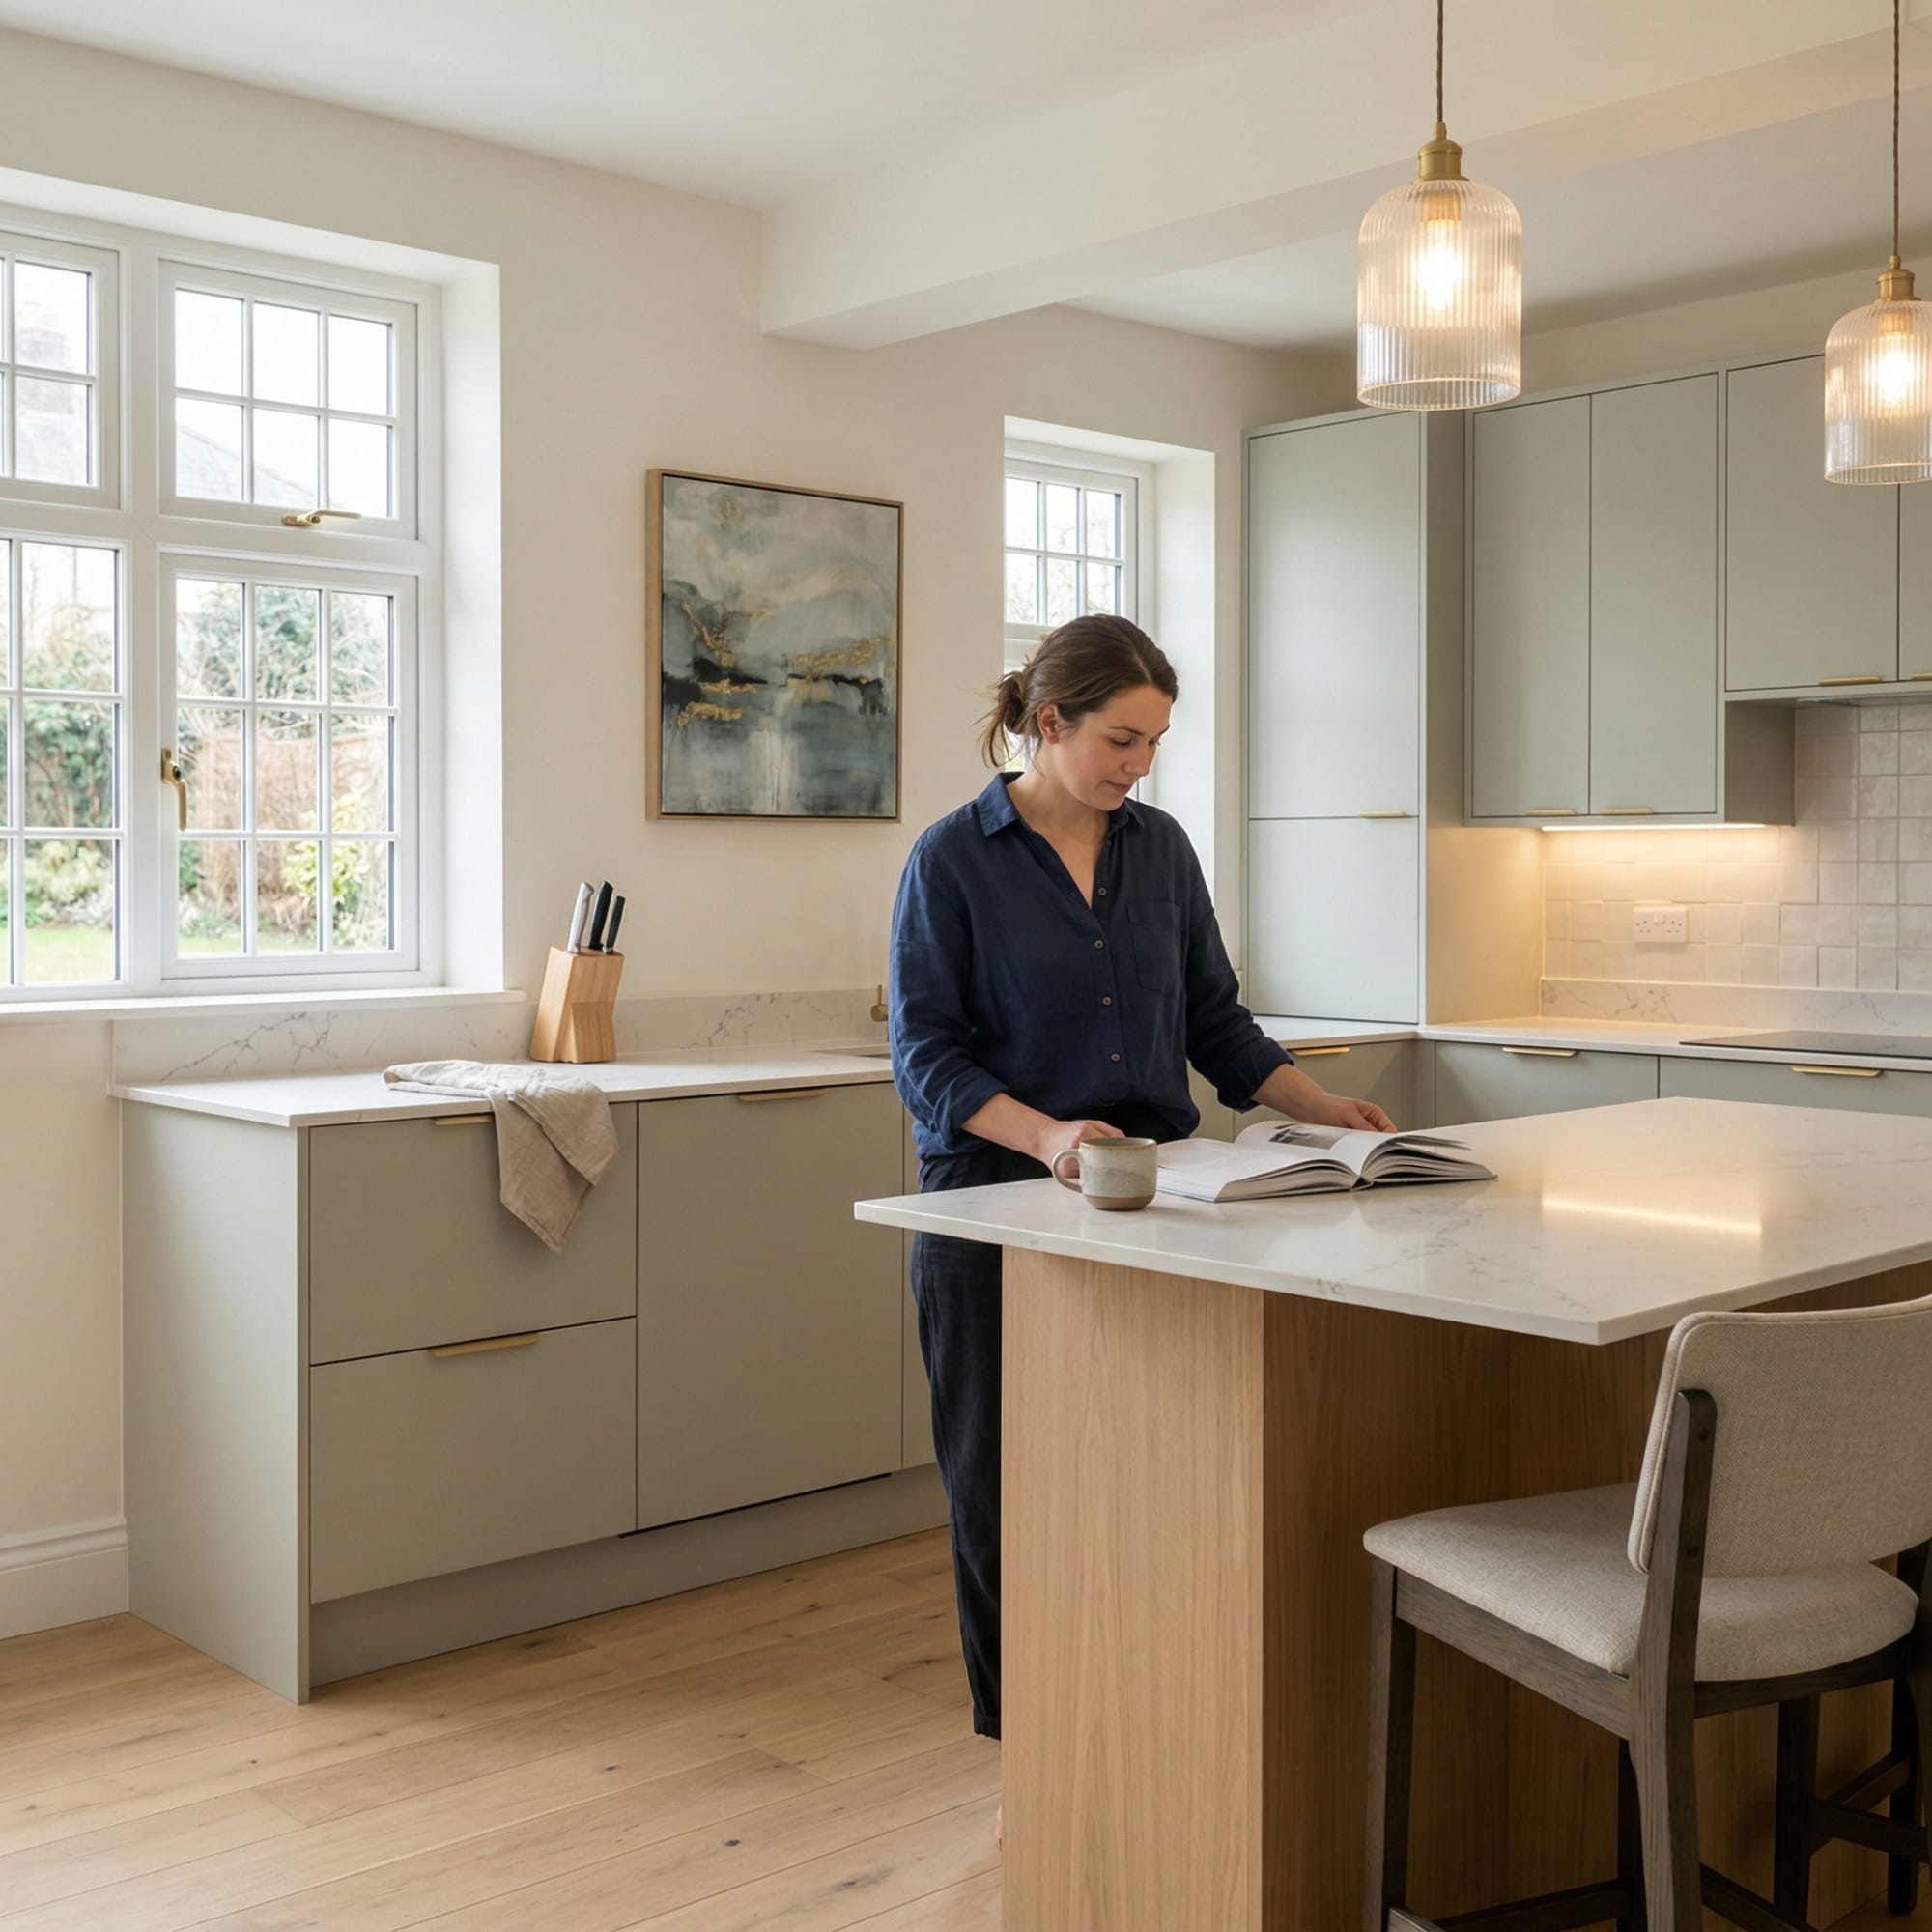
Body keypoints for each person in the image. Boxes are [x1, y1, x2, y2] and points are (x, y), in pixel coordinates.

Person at [887, 613, 1394, 1847]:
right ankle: (1031, 1748)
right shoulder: (952, 857)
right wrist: (1051, 1134)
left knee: (1165, 1473)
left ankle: (1157, 1717)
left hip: (1159, 1199)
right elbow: (926, 1057)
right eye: (1121, 738)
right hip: (995, 1209)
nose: (1138, 766)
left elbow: (1213, 1020)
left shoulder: (1159, 848)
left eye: (1156, 742)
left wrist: (1322, 1110)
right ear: (1046, 721)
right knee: (1004, 1486)